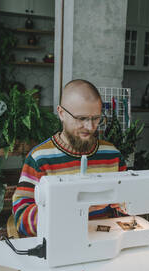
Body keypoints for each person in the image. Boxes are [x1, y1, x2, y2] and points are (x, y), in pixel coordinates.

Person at [11, 79, 126, 237]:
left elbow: (125, 206)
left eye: (96, 118)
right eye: (81, 118)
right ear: (61, 113)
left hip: (104, 241)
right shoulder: (39, 159)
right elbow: (22, 219)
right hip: (60, 242)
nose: (90, 127)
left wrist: (124, 206)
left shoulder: (113, 155)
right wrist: (72, 208)